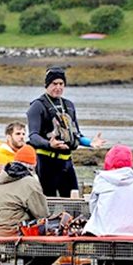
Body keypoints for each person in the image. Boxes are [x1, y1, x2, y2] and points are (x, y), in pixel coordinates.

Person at [26, 67, 105, 197]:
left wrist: (90, 143)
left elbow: (76, 135)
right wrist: (49, 144)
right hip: (46, 163)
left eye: (61, 84)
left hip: (66, 163)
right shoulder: (37, 106)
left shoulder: (69, 105)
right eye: (54, 84)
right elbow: (33, 136)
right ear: (47, 85)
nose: (58, 87)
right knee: (49, 202)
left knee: (73, 201)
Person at [0, 145, 54, 265]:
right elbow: (42, 214)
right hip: (14, 232)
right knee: (57, 243)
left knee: (27, 222)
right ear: (33, 165)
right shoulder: (30, 182)